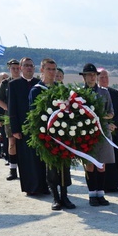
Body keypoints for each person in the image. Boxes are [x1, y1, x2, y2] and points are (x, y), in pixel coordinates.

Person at [29, 58, 76, 211]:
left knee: (65, 167)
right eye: (49, 69)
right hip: (47, 135)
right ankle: (55, 197)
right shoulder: (36, 90)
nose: (52, 72)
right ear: (42, 70)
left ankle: (65, 196)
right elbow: (33, 114)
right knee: (51, 166)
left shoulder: (60, 89)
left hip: (63, 133)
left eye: (54, 69)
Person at [9, 57, 46, 195]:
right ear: (21, 68)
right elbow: (12, 108)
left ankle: (43, 186)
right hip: (23, 128)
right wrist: (15, 129)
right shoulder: (14, 84)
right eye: (26, 65)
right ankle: (30, 187)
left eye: (31, 65)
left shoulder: (39, 84)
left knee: (40, 158)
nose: (29, 68)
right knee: (26, 159)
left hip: (38, 127)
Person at [79, 63, 115, 206]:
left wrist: (102, 117)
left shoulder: (104, 92)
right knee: (90, 164)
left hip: (103, 131)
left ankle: (100, 193)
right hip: (86, 131)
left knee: (101, 165)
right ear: (85, 77)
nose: (92, 77)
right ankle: (91, 194)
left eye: (94, 75)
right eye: (89, 75)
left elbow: (111, 111)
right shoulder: (79, 93)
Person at [97, 67, 118, 190]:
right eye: (102, 77)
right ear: (97, 78)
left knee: (116, 156)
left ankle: (117, 182)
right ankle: (104, 184)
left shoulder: (115, 93)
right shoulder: (96, 93)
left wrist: (115, 124)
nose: (104, 79)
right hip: (101, 130)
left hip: (115, 129)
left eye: (106, 77)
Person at [0, 59, 22, 180]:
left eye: (18, 68)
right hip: (10, 117)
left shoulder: (25, 82)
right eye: (13, 68)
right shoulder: (5, 83)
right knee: (12, 144)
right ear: (9, 69)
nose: (16, 70)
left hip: (24, 116)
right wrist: (10, 110)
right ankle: (13, 170)